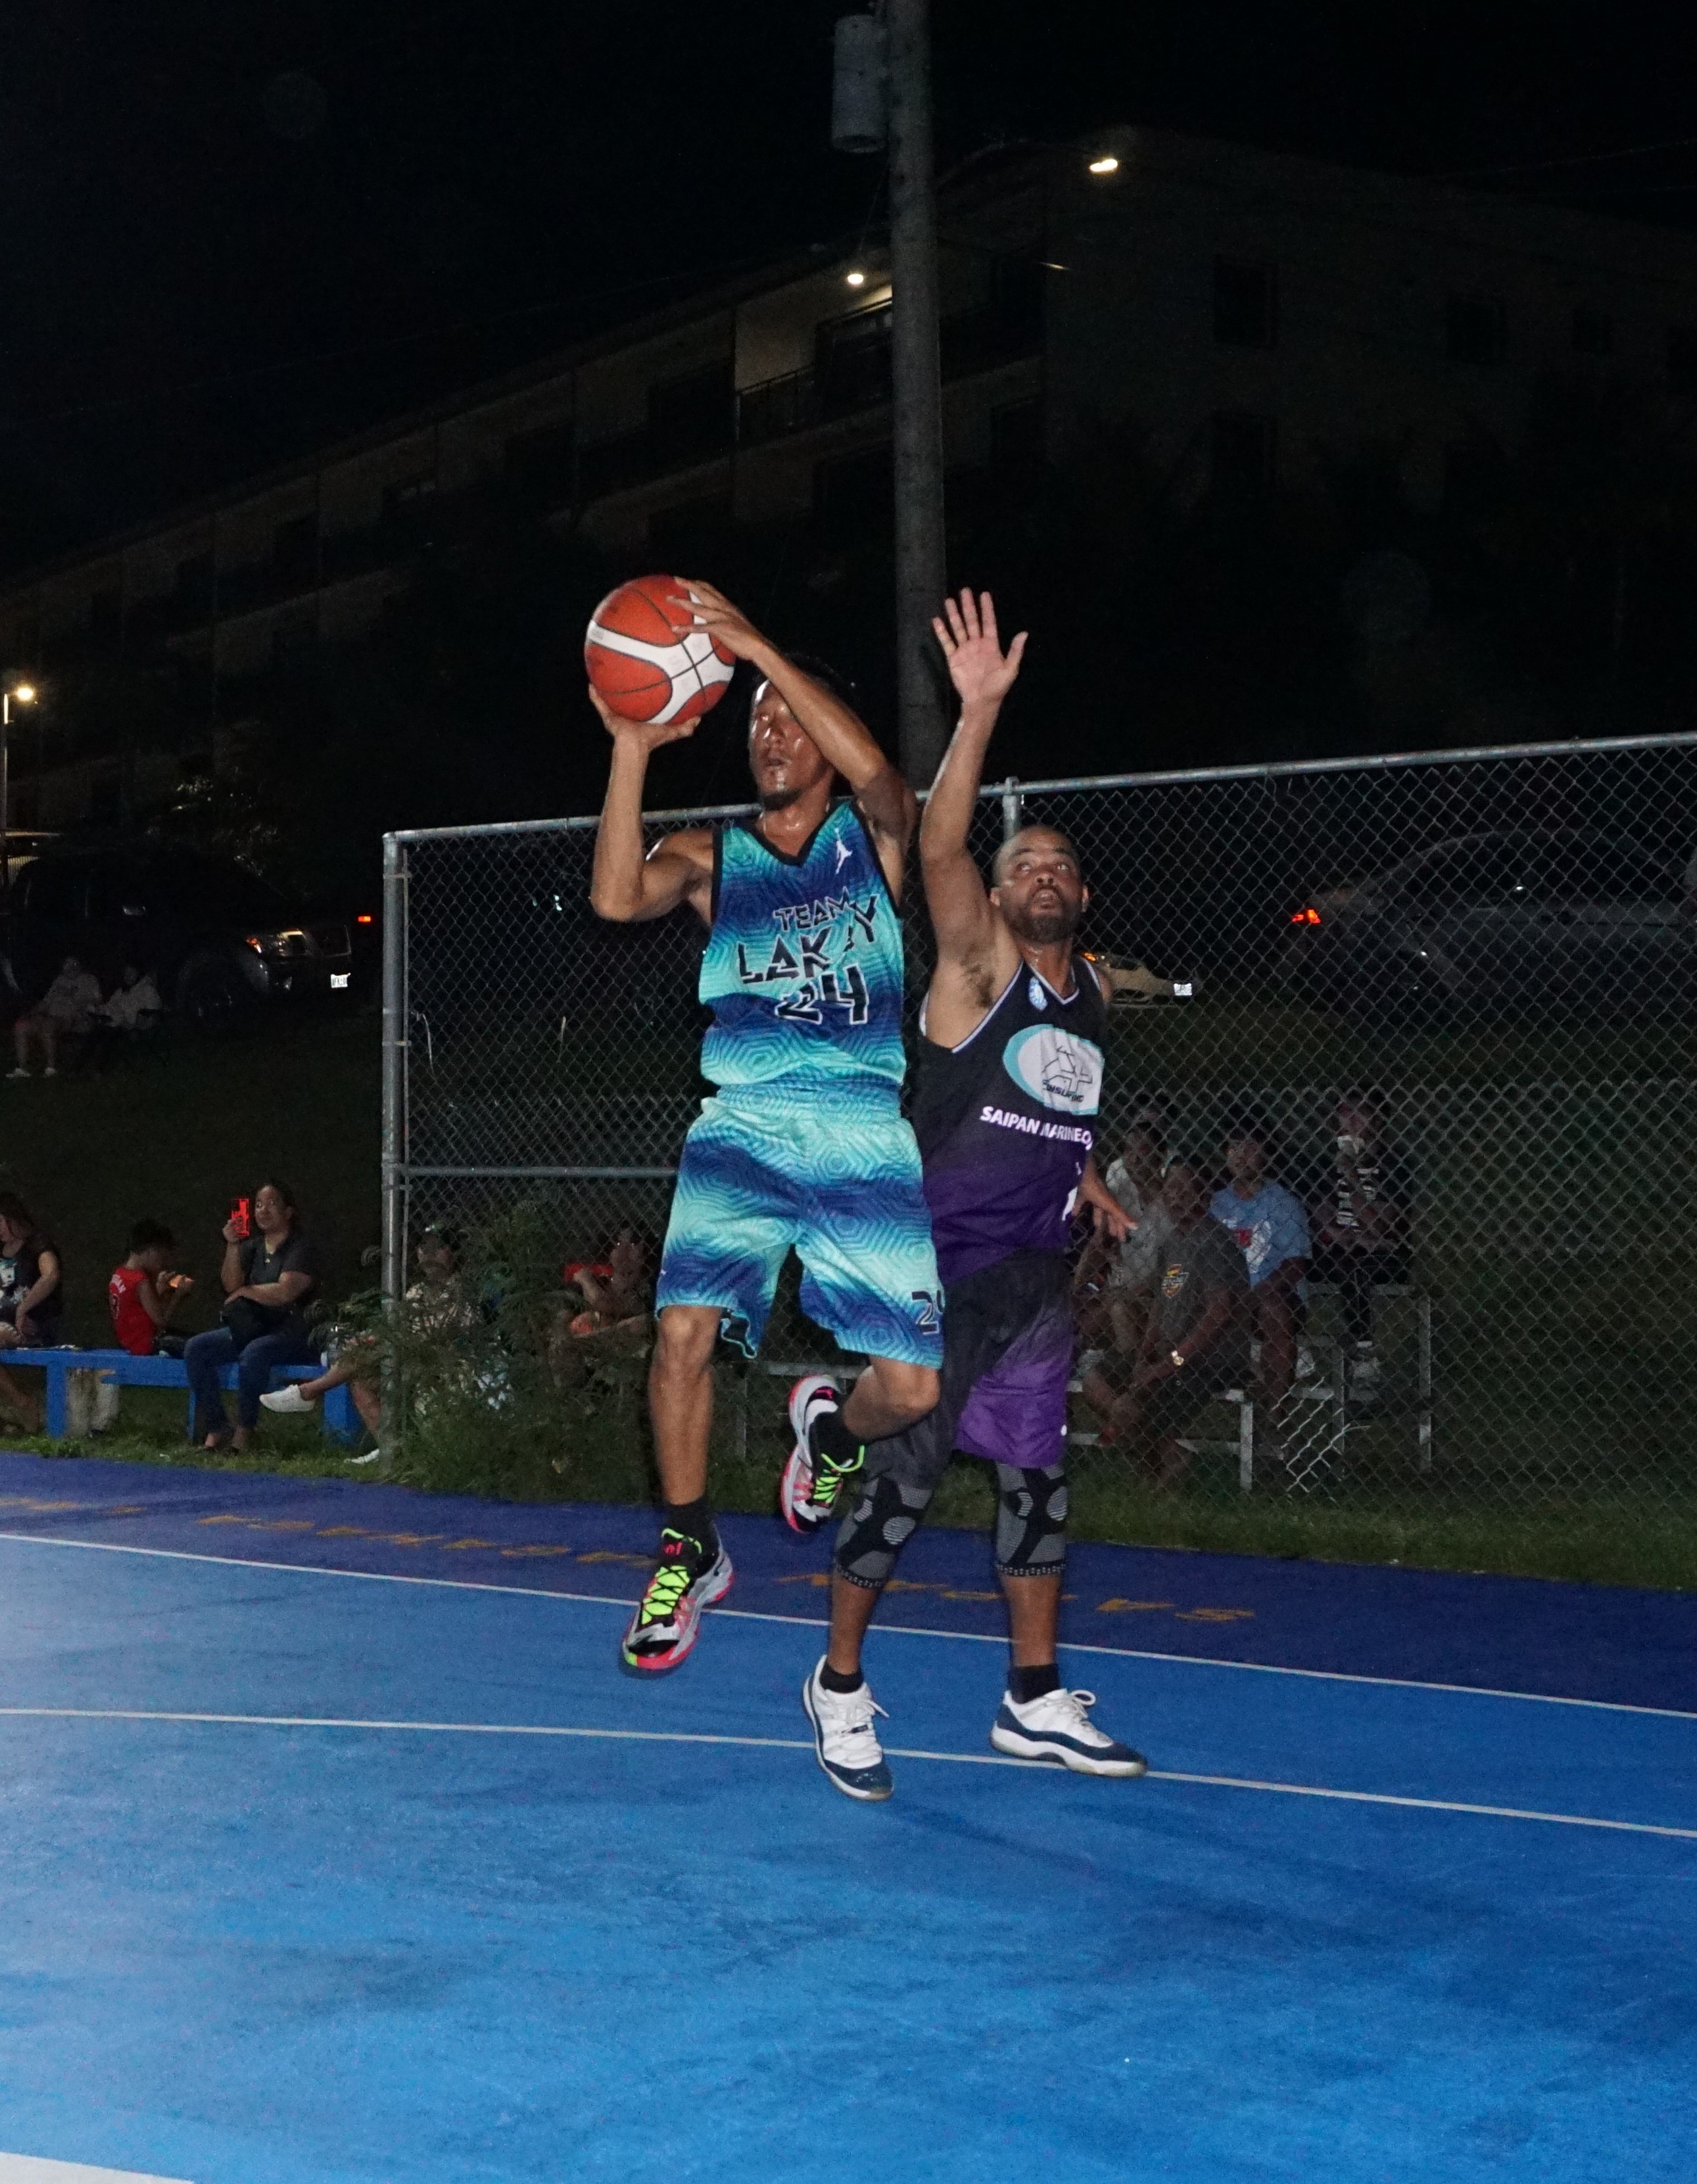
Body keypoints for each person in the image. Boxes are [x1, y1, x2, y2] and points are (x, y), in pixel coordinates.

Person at [784, 588, 1144, 1801]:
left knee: (1038, 1484)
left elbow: (1048, 1101)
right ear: (995, 897)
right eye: (1021, 861)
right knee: (903, 1478)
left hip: (1037, 1278)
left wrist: (1083, 1172)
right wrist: (977, 711)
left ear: (1080, 897)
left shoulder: (1087, 994)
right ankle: (837, 1683)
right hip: (933, 1261)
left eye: (1060, 863)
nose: (1040, 870)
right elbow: (937, 846)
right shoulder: (978, 961)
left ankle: (1033, 1697)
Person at [588, 579, 943, 1676]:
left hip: (856, 1127)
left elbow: (887, 776)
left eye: (788, 718)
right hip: (741, 1126)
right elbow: (612, 898)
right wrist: (634, 745)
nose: (772, 732)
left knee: (915, 1388)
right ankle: (690, 1547)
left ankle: (831, 1430)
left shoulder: (872, 844)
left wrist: (755, 645)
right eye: (756, 724)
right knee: (682, 1332)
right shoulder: (712, 856)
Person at [1081, 1160, 1251, 1485]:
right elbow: (1161, 1300)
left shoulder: (1214, 1241)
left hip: (1207, 1358)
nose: (1176, 1198)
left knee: (1136, 1400)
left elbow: (1219, 1314)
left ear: (1204, 1198)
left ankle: (1157, 1466)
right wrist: (1146, 1353)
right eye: (1171, 1190)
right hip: (1168, 1354)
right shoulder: (1173, 1241)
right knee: (1095, 1380)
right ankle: (1166, 1452)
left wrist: (1169, 1363)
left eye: (1187, 1192)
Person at [262, 1224, 464, 1441]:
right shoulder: (417, 1291)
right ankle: (389, 1449)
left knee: (369, 1351)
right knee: (361, 1379)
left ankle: (308, 1392)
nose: (430, 1253)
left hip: (444, 1362)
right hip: (407, 1359)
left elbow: (436, 1338)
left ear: (453, 1253)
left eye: (439, 1247)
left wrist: (382, 1340)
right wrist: (372, 1337)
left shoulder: (461, 1291)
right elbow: (398, 1327)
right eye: (425, 1246)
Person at [183, 1180, 323, 1452]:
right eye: (258, 1205)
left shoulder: (300, 1247)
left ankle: (244, 1433)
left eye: (272, 1204)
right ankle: (217, 1427)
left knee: (254, 1354)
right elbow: (231, 1286)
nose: (263, 1210)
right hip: (253, 1326)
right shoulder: (254, 1247)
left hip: (292, 1330)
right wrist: (232, 1245)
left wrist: (247, 1291)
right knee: (197, 1348)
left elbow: (285, 1291)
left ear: (289, 1212)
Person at [1210, 1120, 1310, 1463]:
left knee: (1273, 1309)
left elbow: (1296, 1263)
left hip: (1271, 1296)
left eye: (1251, 1148)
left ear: (1267, 1155)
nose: (1242, 1156)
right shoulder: (1214, 1204)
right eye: (1234, 1148)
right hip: (1225, 1298)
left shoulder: (1284, 1203)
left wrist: (1259, 1292)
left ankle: (1275, 1417)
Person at [1310, 1089, 1412, 1402]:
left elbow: (1381, 1224)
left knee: (1357, 1266)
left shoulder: (1393, 1163)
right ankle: (1294, 1348)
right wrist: (1335, 1231)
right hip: (1342, 1248)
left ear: (1379, 1120)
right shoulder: (1327, 1163)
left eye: (1361, 1113)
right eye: (1345, 1113)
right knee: (1290, 1261)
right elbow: (1319, 1211)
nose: (1351, 1121)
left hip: (1382, 1256)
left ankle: (1364, 1359)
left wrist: (1352, 1176)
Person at [0, 1193, 64, 1423]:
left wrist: (22, 1309)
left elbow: (51, 1275)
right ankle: (23, 1403)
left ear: (12, 1218)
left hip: (34, 1325)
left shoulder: (37, 1245)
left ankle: (24, 1404)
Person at [108, 1220, 194, 1356]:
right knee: (199, 1345)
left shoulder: (119, 1274)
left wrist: (161, 1289)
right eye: (161, 1255)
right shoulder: (140, 1281)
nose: (162, 1262)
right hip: (146, 1346)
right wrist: (179, 1296)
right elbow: (161, 1322)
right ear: (150, 1250)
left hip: (128, 1343)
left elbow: (141, 1310)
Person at [9, 955, 103, 1078]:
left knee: (48, 1026)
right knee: (21, 1026)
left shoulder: (89, 980)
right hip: (49, 1017)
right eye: (67, 964)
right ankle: (22, 1069)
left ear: (80, 965)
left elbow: (98, 1001)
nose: (71, 967)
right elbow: (46, 1002)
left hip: (70, 1019)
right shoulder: (59, 981)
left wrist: (75, 998)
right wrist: (30, 1013)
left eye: (74, 964)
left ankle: (51, 1069)